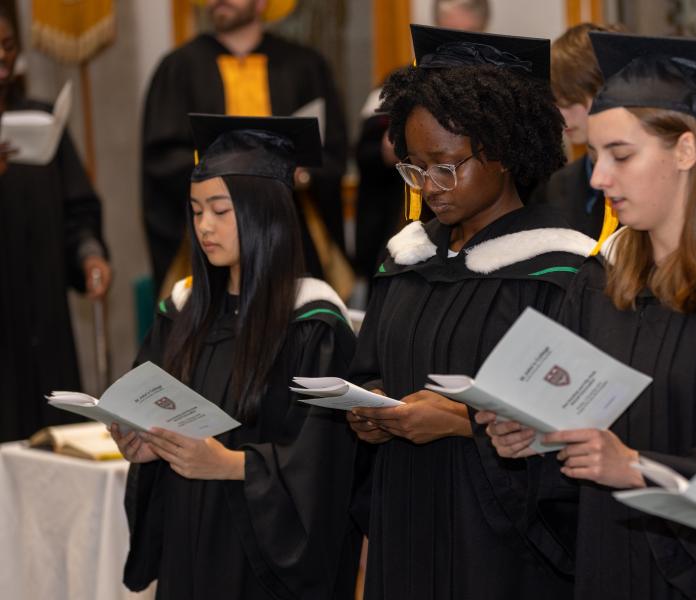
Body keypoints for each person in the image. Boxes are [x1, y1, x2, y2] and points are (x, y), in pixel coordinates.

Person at [479, 32, 696, 599]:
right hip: (607, 564)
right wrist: (534, 438)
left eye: (621, 155)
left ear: (685, 151)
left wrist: (639, 467)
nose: (598, 178)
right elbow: (573, 444)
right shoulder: (603, 282)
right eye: (596, 156)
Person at [346, 25, 596, 600]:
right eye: (414, 167)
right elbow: (370, 369)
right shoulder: (406, 260)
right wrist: (367, 410)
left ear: (504, 151)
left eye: (446, 165)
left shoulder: (561, 273)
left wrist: (462, 425)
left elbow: (576, 436)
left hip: (501, 550)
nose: (429, 186)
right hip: (406, 524)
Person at [115, 115, 360, 600]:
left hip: (262, 561)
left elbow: (327, 463)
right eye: (196, 210)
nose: (204, 226)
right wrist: (144, 447)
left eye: (220, 211)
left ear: (263, 211)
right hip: (189, 538)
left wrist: (230, 465)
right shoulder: (182, 313)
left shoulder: (313, 325)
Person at [141, 0, 347, 295]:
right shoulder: (179, 68)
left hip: (288, 235)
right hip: (208, 244)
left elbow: (332, 152)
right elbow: (162, 158)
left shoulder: (304, 65)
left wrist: (302, 174)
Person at [0, 7, 111, 443]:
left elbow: (77, 211)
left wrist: (89, 254)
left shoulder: (41, 120)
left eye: (8, 46)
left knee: (56, 451)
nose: (2, 57)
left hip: (45, 326)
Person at [353, 0, 489, 285]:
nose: (459, 46)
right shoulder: (398, 86)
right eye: (450, 34)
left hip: (482, 233)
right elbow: (363, 152)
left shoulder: (495, 90)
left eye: (470, 35)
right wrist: (387, 151)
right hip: (407, 222)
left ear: (484, 32)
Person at [529, 22, 615, 238]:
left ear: (607, 92)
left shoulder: (645, 182)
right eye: (557, 102)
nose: (562, 116)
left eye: (571, 102)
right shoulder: (554, 188)